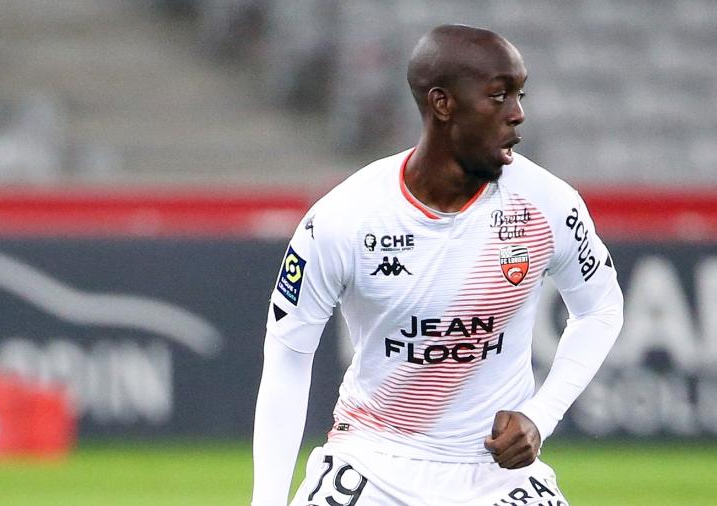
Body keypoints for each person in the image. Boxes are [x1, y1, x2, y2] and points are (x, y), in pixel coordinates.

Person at [252, 24, 623, 506]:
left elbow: (600, 309)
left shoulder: (548, 204)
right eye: (499, 96)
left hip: (496, 474)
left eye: (519, 94)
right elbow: (287, 357)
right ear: (442, 104)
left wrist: (540, 416)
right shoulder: (343, 218)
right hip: (373, 462)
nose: (518, 115)